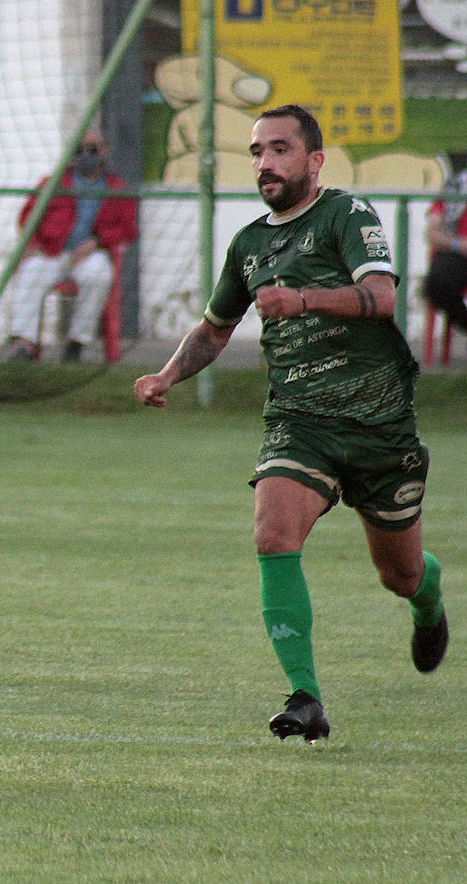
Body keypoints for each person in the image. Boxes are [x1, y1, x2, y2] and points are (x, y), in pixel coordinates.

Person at [134, 104, 448, 742]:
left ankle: (429, 599)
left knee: (400, 575)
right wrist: (167, 374)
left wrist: (303, 299)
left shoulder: (347, 215)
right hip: (299, 424)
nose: (265, 163)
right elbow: (215, 329)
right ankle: (306, 696)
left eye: (279, 149)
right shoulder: (249, 244)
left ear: (314, 159)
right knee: (274, 534)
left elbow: (384, 297)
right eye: (256, 152)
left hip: (378, 426)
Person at [6, 129, 137, 362]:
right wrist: (33, 245)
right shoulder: (54, 182)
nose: (88, 155)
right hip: (52, 252)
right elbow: (27, 217)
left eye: (94, 149)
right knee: (30, 272)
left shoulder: (117, 188)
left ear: (105, 152)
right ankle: (24, 345)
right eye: (81, 149)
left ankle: (76, 342)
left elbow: (128, 228)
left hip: (91, 254)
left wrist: (97, 241)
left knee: (99, 275)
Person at [423, 165, 467, 338]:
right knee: (437, 284)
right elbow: (433, 232)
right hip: (457, 253)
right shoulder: (457, 185)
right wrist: (458, 244)